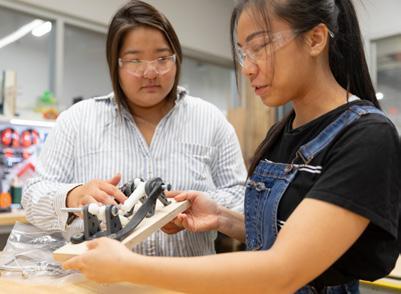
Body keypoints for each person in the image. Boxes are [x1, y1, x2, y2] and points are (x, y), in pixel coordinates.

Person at [63, 0, 401, 293]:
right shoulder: (283, 133)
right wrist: (222, 217)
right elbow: (287, 231)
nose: (248, 67)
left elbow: (282, 270)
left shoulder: (366, 137)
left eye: (261, 46)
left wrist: (126, 266)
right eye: (243, 52)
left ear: (315, 38)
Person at [22, 0, 246, 257]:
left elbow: (243, 198)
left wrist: (196, 207)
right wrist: (73, 195)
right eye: (134, 60)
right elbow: (32, 196)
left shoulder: (210, 120)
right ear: (115, 65)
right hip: (99, 284)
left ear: (176, 60)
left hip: (185, 283)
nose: (150, 72)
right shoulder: (77, 120)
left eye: (162, 58)